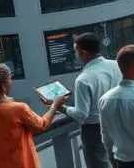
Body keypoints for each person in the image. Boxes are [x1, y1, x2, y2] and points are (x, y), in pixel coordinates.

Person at [52, 33, 121, 168]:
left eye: (76, 51)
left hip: (95, 130)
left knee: (98, 164)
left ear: (83, 52)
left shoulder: (83, 80)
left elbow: (81, 115)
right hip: (118, 120)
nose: (75, 55)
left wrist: (60, 107)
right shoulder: (116, 65)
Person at [0, 63, 67, 168]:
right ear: (4, 85)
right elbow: (41, 124)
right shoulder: (18, 109)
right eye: (9, 79)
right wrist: (55, 105)